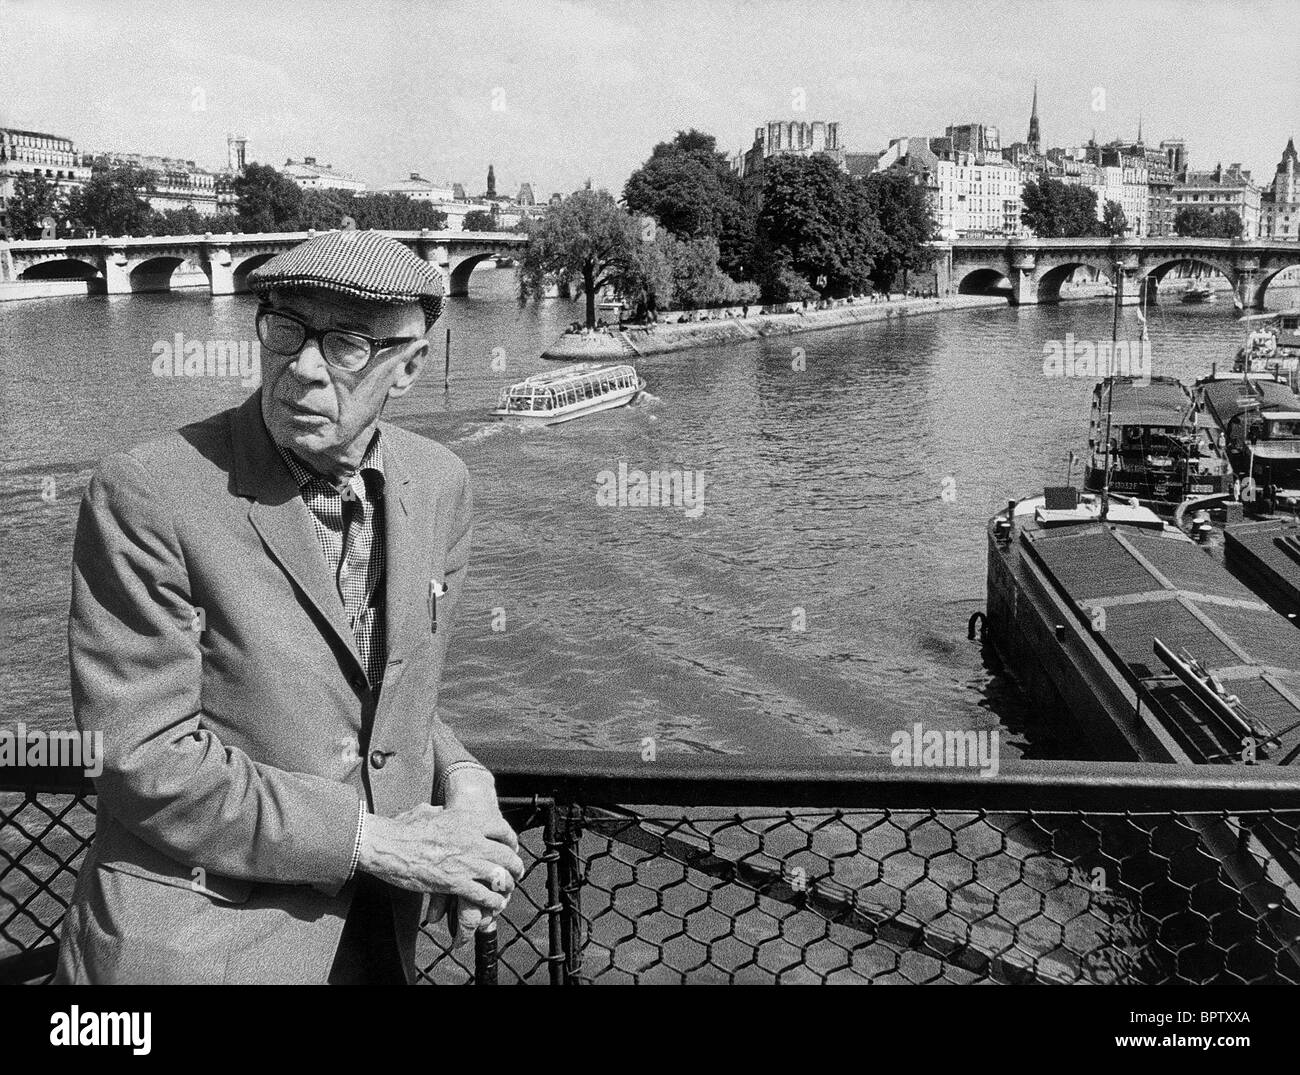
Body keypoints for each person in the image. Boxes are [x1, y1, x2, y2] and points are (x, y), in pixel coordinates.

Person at [55, 229, 523, 985]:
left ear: (411, 363)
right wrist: (380, 843)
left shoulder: (440, 485)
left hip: (378, 938)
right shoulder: (148, 493)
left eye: (346, 345)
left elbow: (383, 689)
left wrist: (467, 780)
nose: (303, 368)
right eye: (286, 329)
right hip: (203, 949)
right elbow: (142, 757)